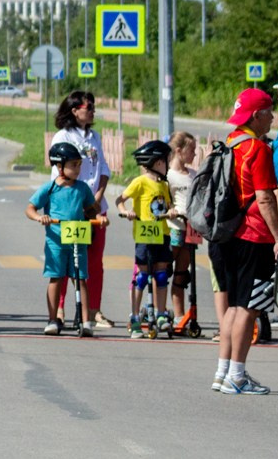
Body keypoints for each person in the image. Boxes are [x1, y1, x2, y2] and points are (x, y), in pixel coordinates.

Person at [211, 88, 278, 394]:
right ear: (257, 115)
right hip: (254, 234)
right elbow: (265, 198)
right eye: (269, 111)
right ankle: (238, 376)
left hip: (227, 234)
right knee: (248, 307)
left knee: (232, 307)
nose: (272, 117)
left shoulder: (230, 143)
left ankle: (223, 371)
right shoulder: (258, 150)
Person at [51, 91, 114, 328]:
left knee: (94, 260)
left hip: (96, 207)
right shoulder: (63, 136)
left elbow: (104, 168)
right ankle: (60, 309)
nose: (92, 110)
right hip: (72, 207)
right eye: (88, 106)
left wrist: (97, 197)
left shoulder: (94, 136)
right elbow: (57, 174)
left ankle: (93, 310)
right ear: (74, 110)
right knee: (68, 258)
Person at [29, 140, 101, 334]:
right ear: (59, 166)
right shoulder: (50, 188)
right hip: (56, 241)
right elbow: (30, 208)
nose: (78, 169)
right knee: (56, 278)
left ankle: (86, 322)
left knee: (81, 279)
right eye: (73, 165)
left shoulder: (82, 188)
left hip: (78, 240)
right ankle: (52, 319)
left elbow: (93, 208)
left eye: (79, 165)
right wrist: (39, 217)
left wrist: (98, 217)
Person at [120, 138, 175, 335]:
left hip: (162, 234)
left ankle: (160, 313)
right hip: (144, 235)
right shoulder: (140, 182)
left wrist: (173, 211)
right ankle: (135, 317)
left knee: (161, 274)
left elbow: (166, 205)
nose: (168, 164)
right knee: (142, 276)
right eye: (166, 160)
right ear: (158, 162)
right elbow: (121, 199)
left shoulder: (164, 184)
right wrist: (126, 211)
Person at [166, 130, 203, 337]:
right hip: (174, 226)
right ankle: (160, 310)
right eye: (191, 150)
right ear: (179, 151)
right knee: (164, 269)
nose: (194, 155)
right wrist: (170, 209)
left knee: (182, 273)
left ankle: (180, 316)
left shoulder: (193, 174)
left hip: (191, 227)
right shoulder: (168, 176)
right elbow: (163, 200)